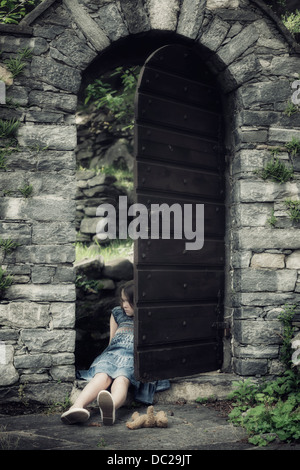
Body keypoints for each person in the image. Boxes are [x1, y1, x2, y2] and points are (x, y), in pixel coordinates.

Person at [61, 280, 136, 425]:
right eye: (123, 300)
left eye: (128, 301)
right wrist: (107, 360)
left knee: (122, 378)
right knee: (102, 376)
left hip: (131, 358)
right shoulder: (117, 314)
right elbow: (111, 342)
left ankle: (111, 407)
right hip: (112, 355)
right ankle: (76, 407)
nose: (124, 305)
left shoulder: (147, 317)